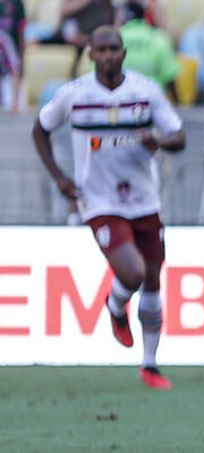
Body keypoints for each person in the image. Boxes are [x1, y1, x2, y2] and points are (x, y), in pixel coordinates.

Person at [31, 26, 185, 390]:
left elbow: (179, 136)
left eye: (113, 49)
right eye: (100, 49)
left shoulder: (146, 92)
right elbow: (40, 129)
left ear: (123, 53)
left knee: (152, 280)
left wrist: (158, 142)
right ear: (90, 55)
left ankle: (150, 365)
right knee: (131, 273)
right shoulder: (74, 95)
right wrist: (59, 178)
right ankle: (116, 306)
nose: (107, 55)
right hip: (99, 200)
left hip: (145, 200)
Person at [117, 1, 180, 103]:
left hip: (120, 103)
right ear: (144, 16)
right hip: (152, 102)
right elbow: (170, 77)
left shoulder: (111, 39)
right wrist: (178, 104)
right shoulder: (159, 38)